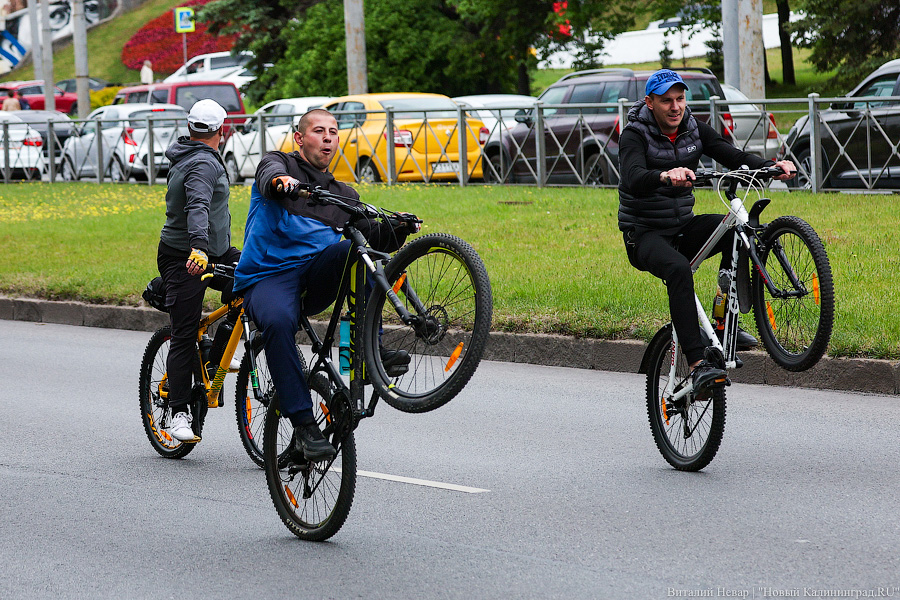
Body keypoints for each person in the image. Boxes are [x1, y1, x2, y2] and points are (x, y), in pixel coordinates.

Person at [234, 109, 416, 462]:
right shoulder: (279, 164)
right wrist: (281, 183)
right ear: (300, 138)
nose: (329, 137)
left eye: (334, 131)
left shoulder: (341, 194)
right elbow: (268, 176)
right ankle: (303, 426)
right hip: (269, 276)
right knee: (277, 322)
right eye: (319, 131)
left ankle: (362, 355)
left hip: (313, 274)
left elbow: (369, 232)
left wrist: (399, 228)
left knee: (357, 251)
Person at [617, 69, 796, 392]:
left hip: (682, 226)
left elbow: (734, 156)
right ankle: (697, 363)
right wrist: (664, 176)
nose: (675, 107)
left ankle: (724, 323)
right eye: (666, 101)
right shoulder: (634, 134)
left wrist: (771, 165)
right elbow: (633, 176)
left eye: (680, 99)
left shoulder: (693, 129)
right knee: (678, 271)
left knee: (734, 230)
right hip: (643, 235)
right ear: (650, 103)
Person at [157, 99, 240, 443]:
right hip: (185, 256)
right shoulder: (204, 164)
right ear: (223, 130)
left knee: (253, 280)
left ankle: (216, 358)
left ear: (191, 129)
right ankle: (177, 411)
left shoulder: (188, 153)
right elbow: (198, 206)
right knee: (184, 332)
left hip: (213, 252)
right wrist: (199, 247)